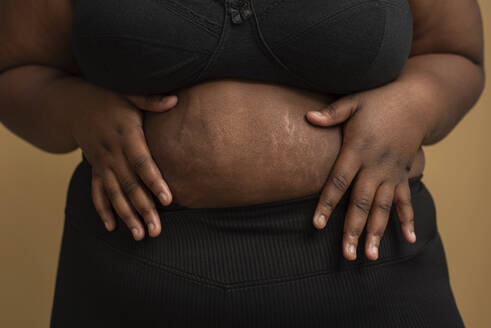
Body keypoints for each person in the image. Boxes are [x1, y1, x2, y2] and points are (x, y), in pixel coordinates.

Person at [0, 0, 484, 327]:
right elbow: (16, 70)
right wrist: (74, 110)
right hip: (132, 278)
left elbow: (455, 53)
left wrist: (414, 106)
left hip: (370, 269)